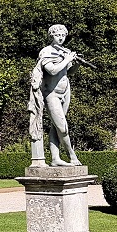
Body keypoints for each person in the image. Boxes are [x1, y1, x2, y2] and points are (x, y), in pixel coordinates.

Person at [29, 24, 82, 167]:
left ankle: (55, 158)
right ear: (51, 36)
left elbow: (68, 72)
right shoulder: (46, 52)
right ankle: (72, 155)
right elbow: (52, 70)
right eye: (57, 35)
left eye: (63, 35)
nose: (61, 38)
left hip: (65, 91)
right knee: (63, 127)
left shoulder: (65, 51)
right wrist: (66, 59)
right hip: (51, 93)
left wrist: (75, 63)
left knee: (56, 126)